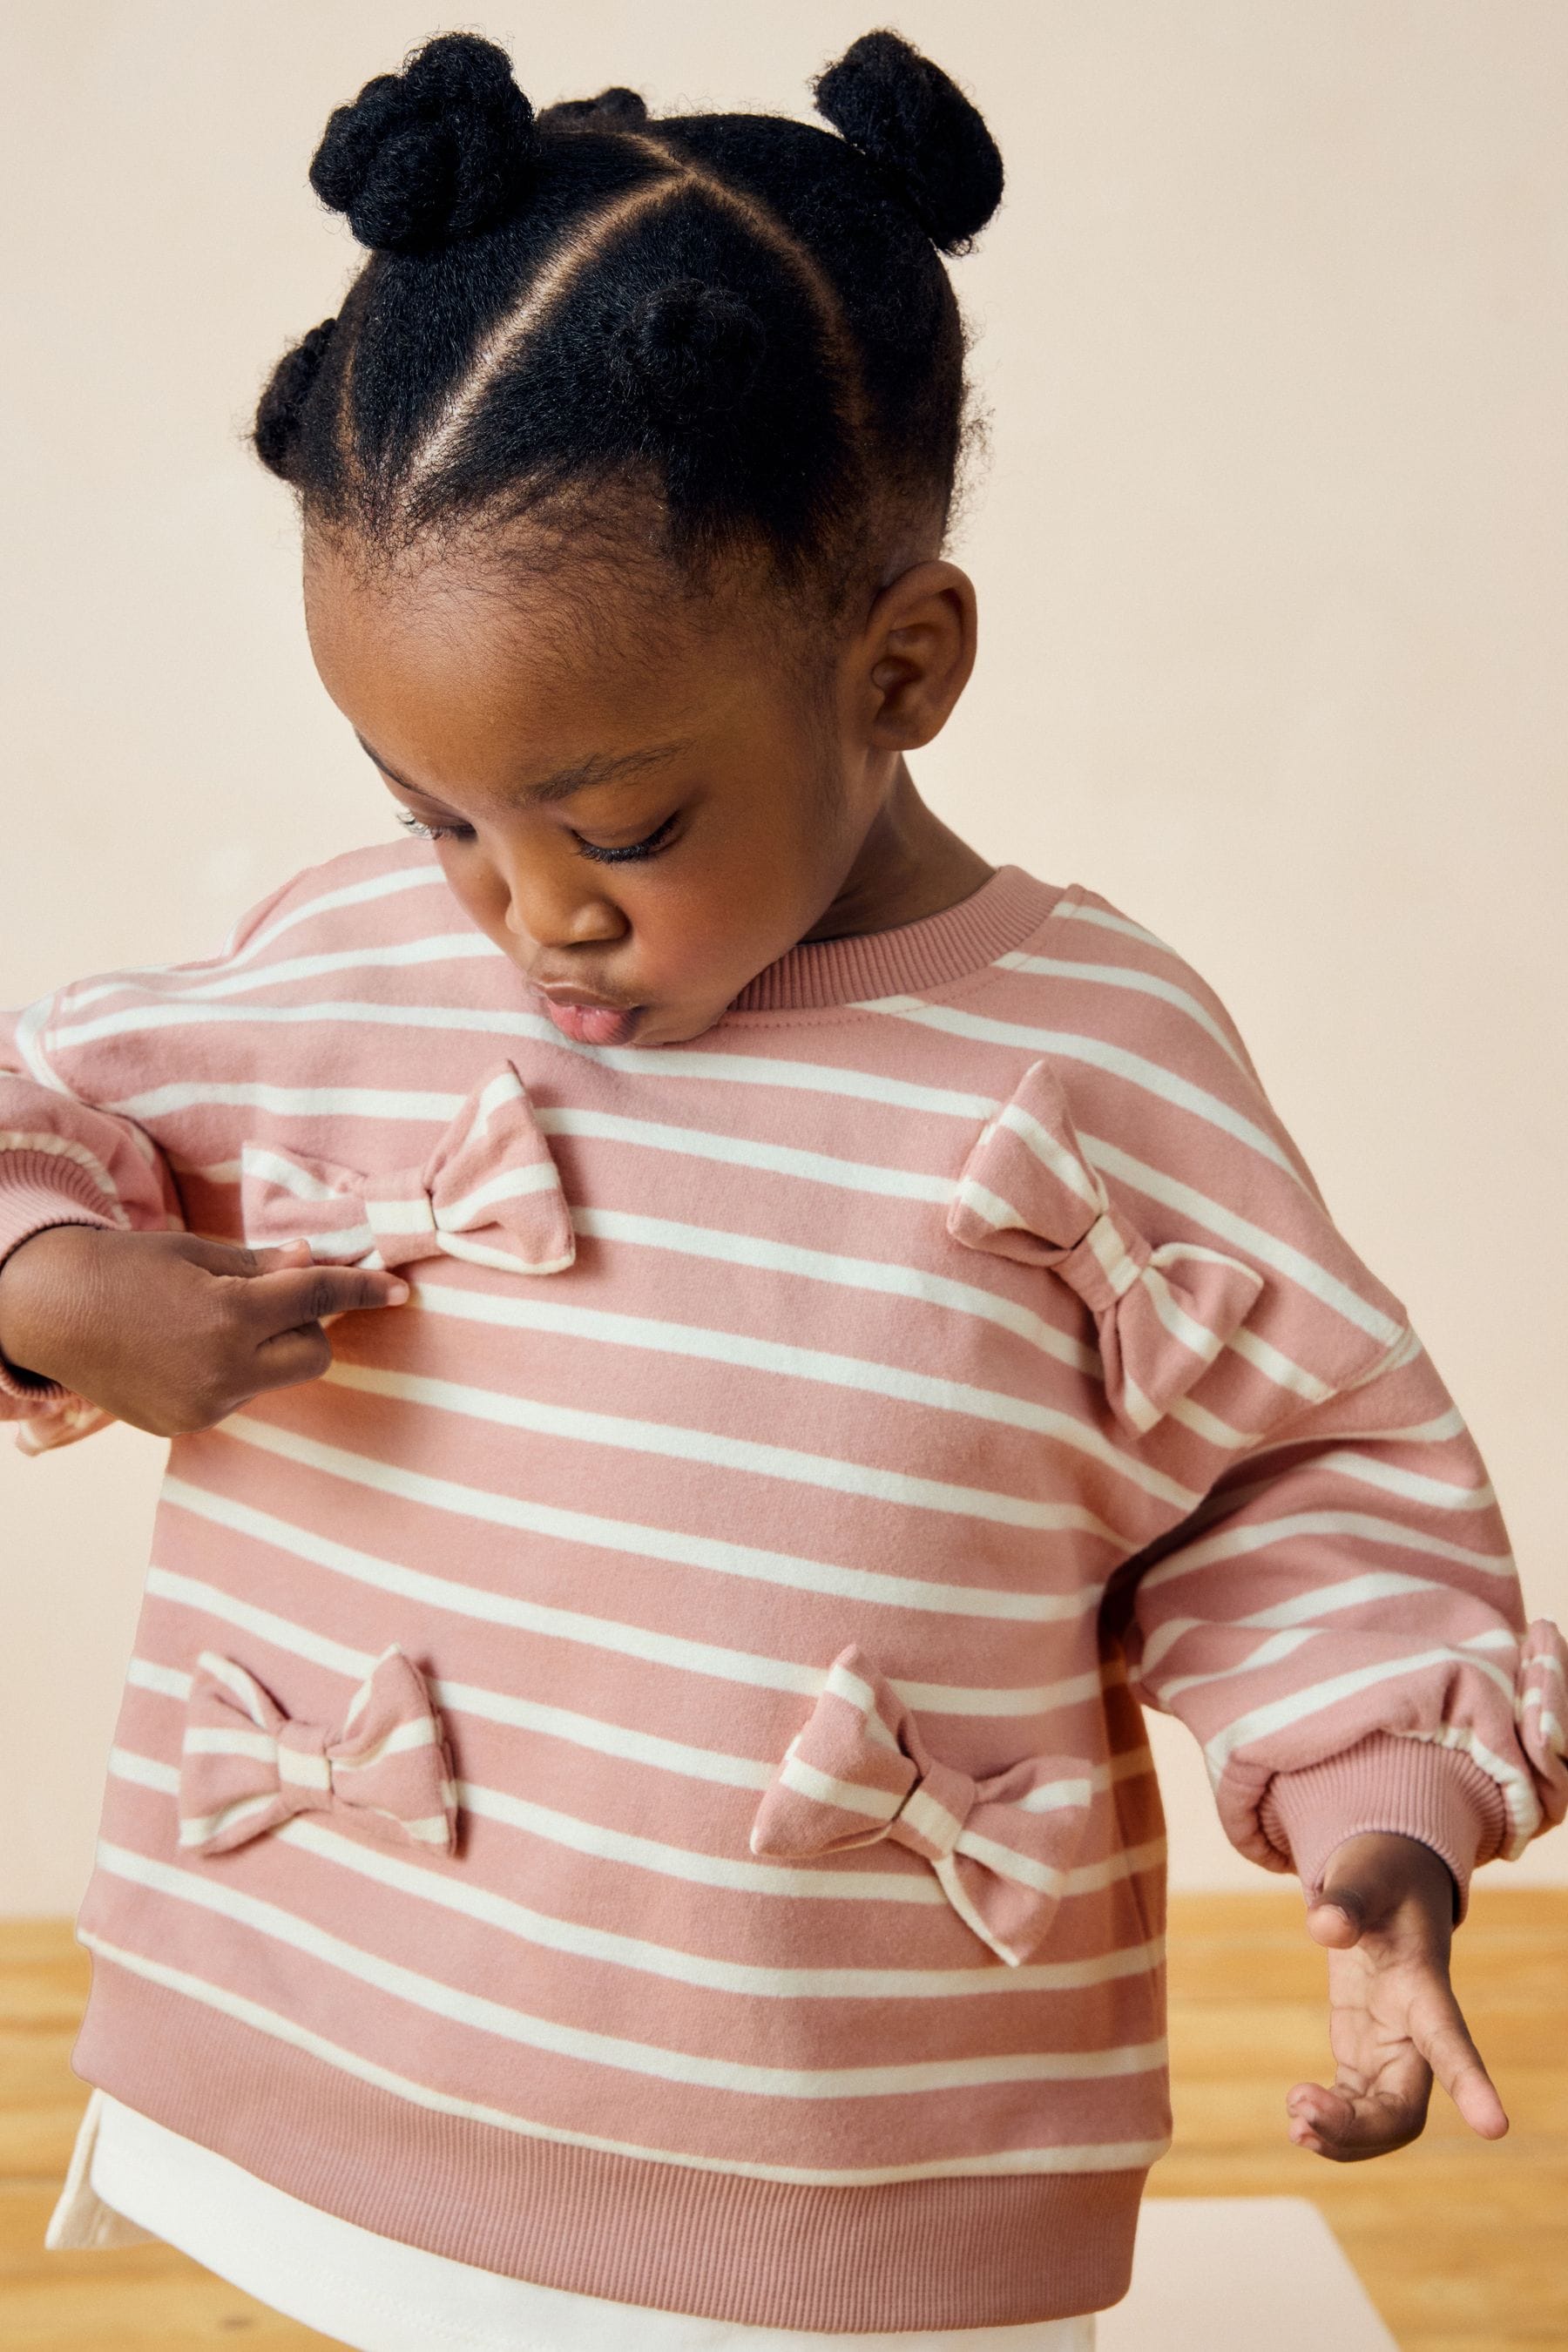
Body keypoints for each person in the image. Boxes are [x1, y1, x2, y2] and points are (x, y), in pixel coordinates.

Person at [4, 28, 1563, 2352]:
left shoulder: (1090, 1065)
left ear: (902, 664)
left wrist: (1382, 1813)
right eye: (441, 814)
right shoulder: (344, 963)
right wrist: (56, 1282)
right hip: (314, 2084)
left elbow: (1297, 1471)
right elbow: (39, 1102)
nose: (524, 914)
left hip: (849, 2192)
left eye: (617, 827)